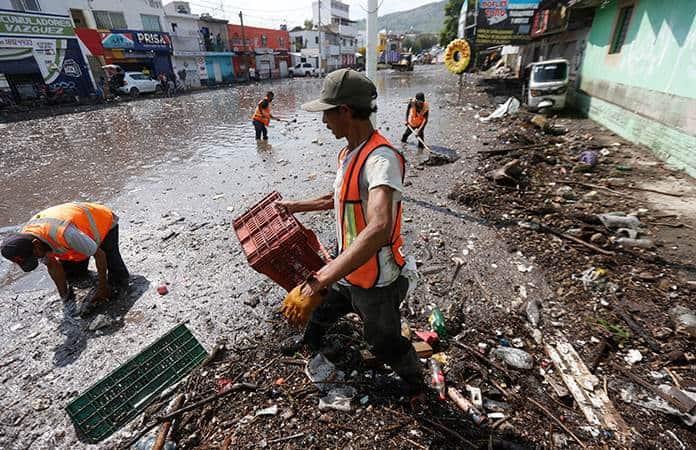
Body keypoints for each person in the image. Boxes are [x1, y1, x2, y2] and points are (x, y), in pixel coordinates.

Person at [277, 69, 425, 398]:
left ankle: (415, 384)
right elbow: (340, 197)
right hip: (349, 266)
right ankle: (310, 344)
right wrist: (295, 206)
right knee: (322, 311)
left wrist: (318, 280)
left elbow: (378, 227)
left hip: (376, 280)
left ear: (344, 111)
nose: (324, 121)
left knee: (383, 341)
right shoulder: (348, 153)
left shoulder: (381, 159)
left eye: (326, 113)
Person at [1, 202, 129, 303]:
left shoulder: (65, 233)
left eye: (34, 256)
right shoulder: (28, 239)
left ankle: (117, 282)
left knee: (117, 278)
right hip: (79, 234)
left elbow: (100, 255)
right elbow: (51, 264)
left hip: (103, 223)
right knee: (73, 276)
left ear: (36, 244)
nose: (37, 259)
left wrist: (102, 287)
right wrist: (64, 296)